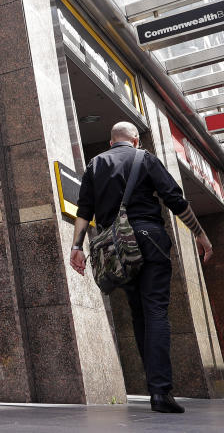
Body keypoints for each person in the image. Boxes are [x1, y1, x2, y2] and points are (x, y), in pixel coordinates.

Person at [70, 121, 213, 414]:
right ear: (135, 141)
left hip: (119, 249)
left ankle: (154, 386)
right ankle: (160, 393)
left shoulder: (95, 165)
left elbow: (84, 210)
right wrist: (200, 234)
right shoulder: (145, 158)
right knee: (156, 311)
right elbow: (174, 198)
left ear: (111, 143)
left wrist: (76, 248)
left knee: (138, 313)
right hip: (150, 239)